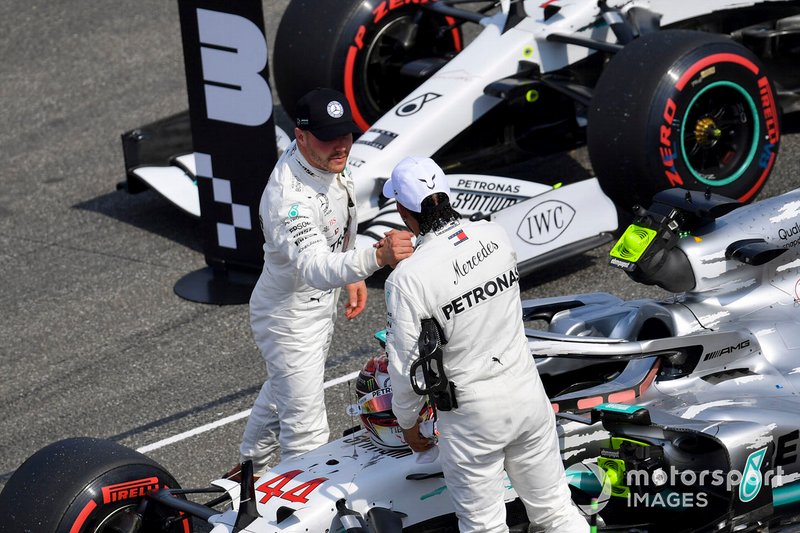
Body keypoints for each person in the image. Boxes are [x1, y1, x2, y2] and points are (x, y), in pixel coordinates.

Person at [383, 156, 588, 533]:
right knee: (556, 511)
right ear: (445, 193)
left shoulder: (408, 279)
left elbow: (405, 367)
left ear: (402, 211)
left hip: (471, 414)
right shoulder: (494, 234)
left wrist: (409, 423)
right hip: (527, 391)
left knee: (484, 527)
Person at [232, 88, 413, 478]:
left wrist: (353, 269)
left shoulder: (326, 159)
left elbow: (339, 214)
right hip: (288, 321)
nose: (341, 146)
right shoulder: (288, 201)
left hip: (314, 306)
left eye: (345, 134)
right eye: (329, 138)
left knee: (283, 395)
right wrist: (375, 258)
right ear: (300, 137)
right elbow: (315, 266)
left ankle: (247, 470)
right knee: (308, 434)